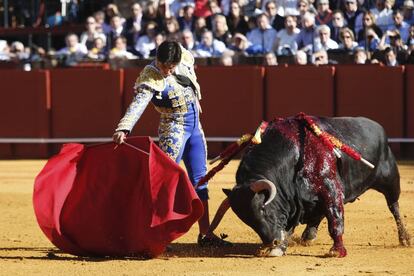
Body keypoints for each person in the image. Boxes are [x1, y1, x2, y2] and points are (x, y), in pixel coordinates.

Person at [112, 40, 232, 247]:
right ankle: (156, 234)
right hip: (173, 130)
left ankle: (206, 234)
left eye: (171, 66)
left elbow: (190, 80)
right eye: (163, 66)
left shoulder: (183, 57)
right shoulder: (150, 75)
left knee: (200, 181)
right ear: (157, 59)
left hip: (195, 130)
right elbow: (138, 104)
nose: (167, 71)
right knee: (163, 183)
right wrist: (124, 126)